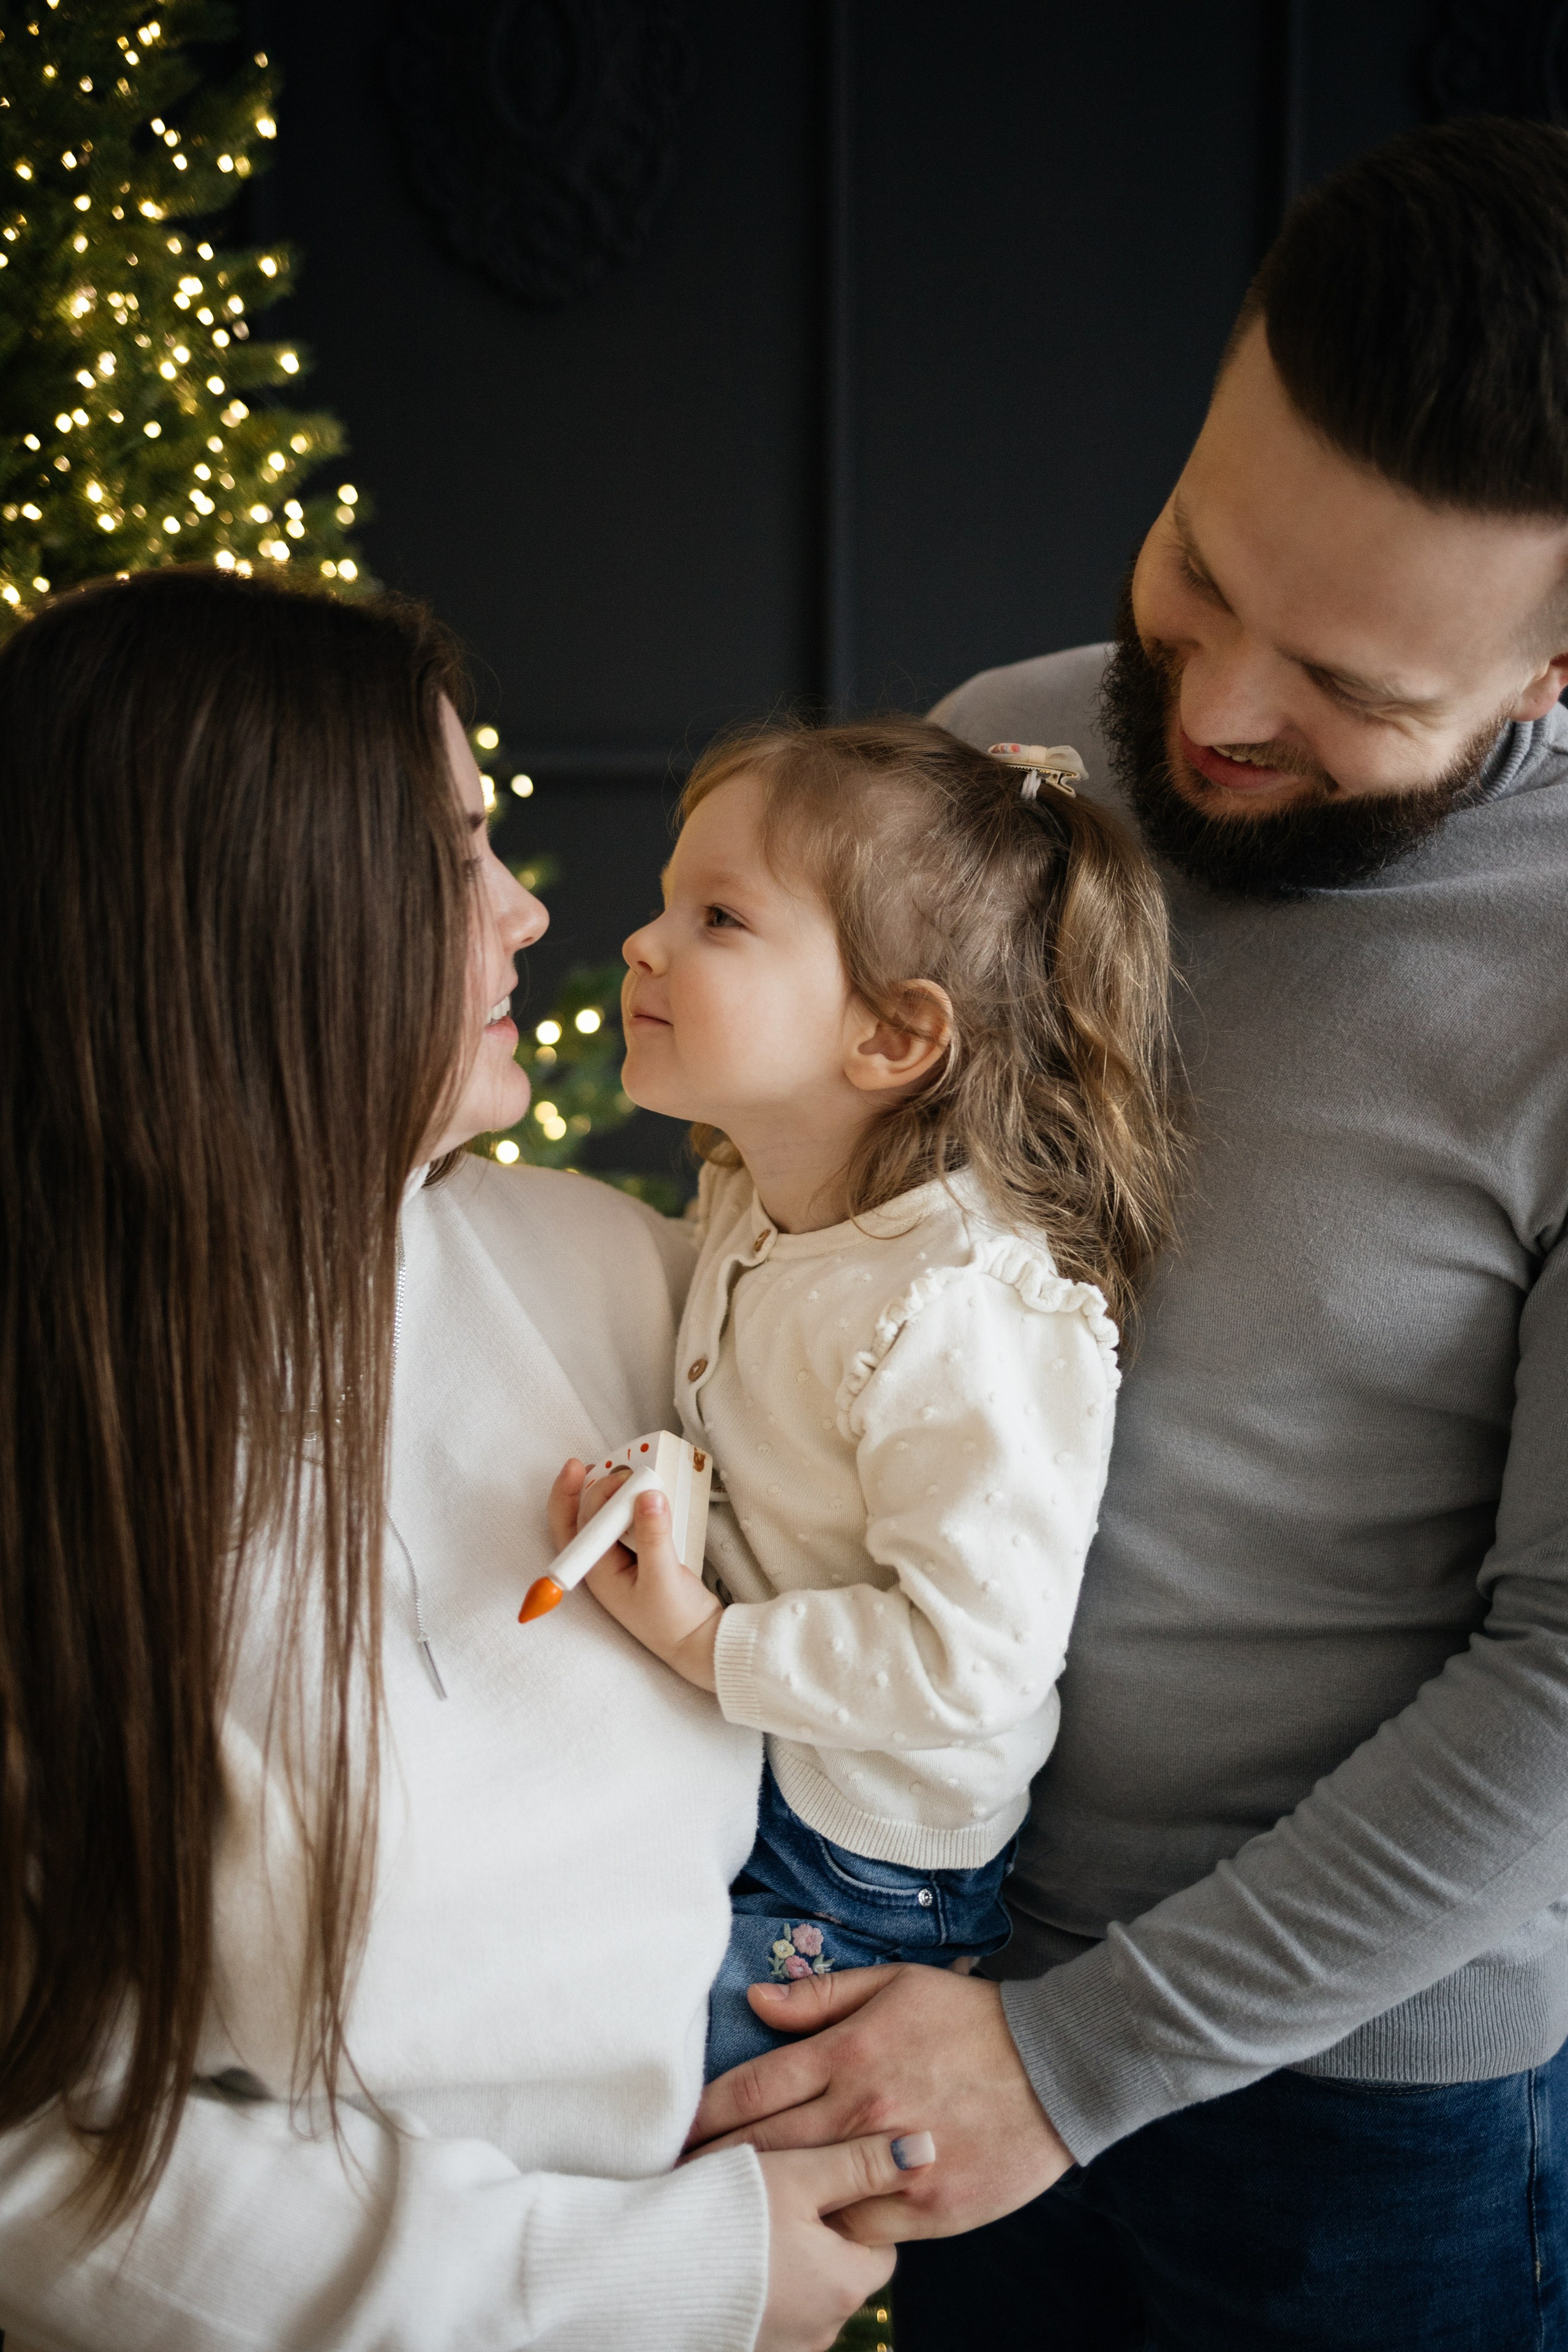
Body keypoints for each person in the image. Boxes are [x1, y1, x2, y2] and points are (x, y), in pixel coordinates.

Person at [685, 116, 1568, 2350]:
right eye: (1198, 570)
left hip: (1344, 2124)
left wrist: (1074, 2071)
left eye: (1356, 690)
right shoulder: (991, 779)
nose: (1211, 713)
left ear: (1553, 678)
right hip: (902, 1970)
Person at [0, 568, 929, 2352]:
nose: (522, 913)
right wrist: (669, 2277)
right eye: (452, 856)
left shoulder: (617, 1275)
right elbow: (43, 2154)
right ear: (258, 920)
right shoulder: (67, 1449)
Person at [555, 719, 1178, 2076]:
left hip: (857, 1857)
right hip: (753, 1755)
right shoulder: (755, 1197)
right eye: (667, 901)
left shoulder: (959, 1309)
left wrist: (703, 1641)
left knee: (654, 2096)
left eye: (716, 917)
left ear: (892, 1034)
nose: (642, 945)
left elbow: (972, 1658)